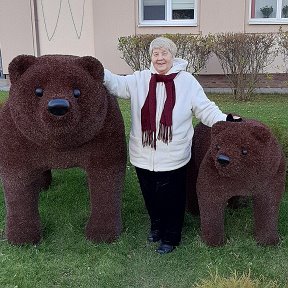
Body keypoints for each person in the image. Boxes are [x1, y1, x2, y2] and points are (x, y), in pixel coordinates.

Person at [103, 37, 231, 254]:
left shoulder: (187, 82)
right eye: (155, 54)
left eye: (164, 53)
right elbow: (116, 83)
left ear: (173, 56)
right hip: (143, 154)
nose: (160, 58)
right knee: (151, 196)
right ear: (151, 57)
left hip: (174, 155)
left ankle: (171, 237)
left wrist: (225, 120)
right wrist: (97, 69)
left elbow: (205, 109)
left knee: (172, 199)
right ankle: (156, 226)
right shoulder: (139, 79)